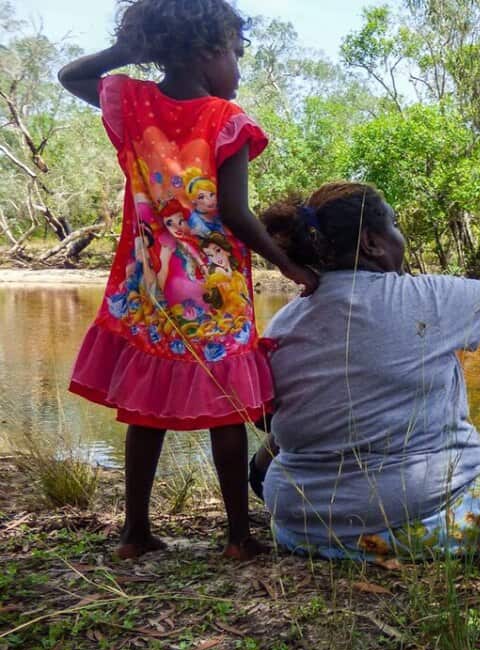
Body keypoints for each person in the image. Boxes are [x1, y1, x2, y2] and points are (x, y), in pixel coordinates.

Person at [58, 0, 319, 560]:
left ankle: (134, 533)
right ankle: (237, 536)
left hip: (149, 287)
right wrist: (289, 264)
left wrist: (127, 53)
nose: (239, 70)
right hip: (215, 293)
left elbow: (71, 76)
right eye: (237, 54)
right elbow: (235, 212)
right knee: (227, 405)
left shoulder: (131, 102)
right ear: (208, 52)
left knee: (144, 405)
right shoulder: (226, 121)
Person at [255, 183, 480, 562]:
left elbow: (271, 422)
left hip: (300, 528)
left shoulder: (283, 323)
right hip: (413, 522)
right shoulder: (426, 300)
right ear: (371, 243)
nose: (401, 236)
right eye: (394, 225)